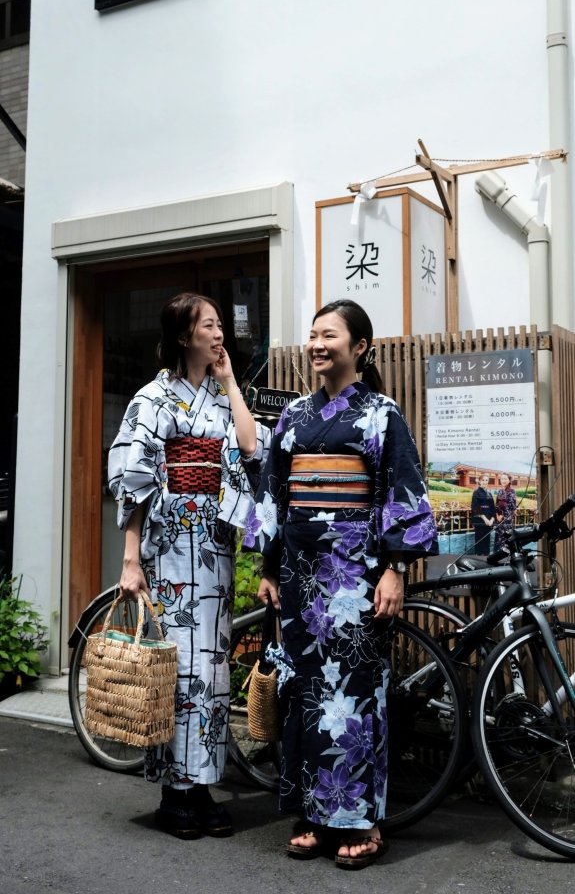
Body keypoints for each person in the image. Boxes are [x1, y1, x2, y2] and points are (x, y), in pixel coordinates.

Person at [242, 298, 438, 870]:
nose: (317, 345)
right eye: (313, 335)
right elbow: (274, 493)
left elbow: (402, 490)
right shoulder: (294, 416)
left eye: (329, 335)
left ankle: (358, 822)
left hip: (354, 576)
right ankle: (311, 814)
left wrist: (395, 569)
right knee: (304, 691)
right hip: (301, 574)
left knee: (354, 694)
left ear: (360, 348)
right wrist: (269, 568)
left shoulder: (381, 414)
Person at [108, 292, 269, 840]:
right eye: (208, 326)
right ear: (183, 336)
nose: (219, 334)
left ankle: (199, 786)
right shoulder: (152, 397)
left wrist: (230, 382)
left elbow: (250, 448)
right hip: (172, 541)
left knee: (213, 667)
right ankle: (173, 793)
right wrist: (131, 559)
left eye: (221, 325)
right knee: (178, 669)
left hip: (214, 543)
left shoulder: (221, 397)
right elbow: (135, 482)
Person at [470, 473, 495, 556]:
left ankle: (486, 557)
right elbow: (475, 507)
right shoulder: (476, 492)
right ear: (479, 481)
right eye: (483, 480)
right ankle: (479, 557)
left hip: (489, 521)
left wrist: (492, 519)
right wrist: (485, 519)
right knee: (480, 541)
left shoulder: (489, 493)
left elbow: (492, 508)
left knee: (487, 541)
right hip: (480, 521)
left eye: (486, 480)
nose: (485, 482)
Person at [494, 472, 517, 555]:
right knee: (499, 539)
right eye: (502, 479)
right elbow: (496, 504)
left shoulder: (512, 491)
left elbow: (512, 507)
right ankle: (499, 556)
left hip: (507, 520)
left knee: (506, 539)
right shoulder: (500, 491)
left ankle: (506, 557)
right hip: (499, 520)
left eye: (505, 479)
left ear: (509, 480)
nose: (503, 480)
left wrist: (502, 515)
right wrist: (497, 515)